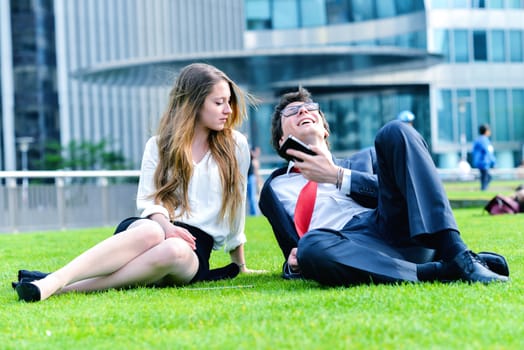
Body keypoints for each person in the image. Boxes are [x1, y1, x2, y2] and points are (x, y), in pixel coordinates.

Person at [14, 63, 262, 302]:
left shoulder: (235, 145)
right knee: (152, 231)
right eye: (219, 103)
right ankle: (55, 280)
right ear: (193, 104)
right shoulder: (158, 145)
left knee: (173, 249)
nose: (228, 110)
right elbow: (149, 200)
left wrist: (239, 264)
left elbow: (237, 204)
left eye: (228, 102)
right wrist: (166, 226)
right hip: (151, 226)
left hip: (194, 247)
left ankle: (58, 288)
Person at [259, 87, 509, 287]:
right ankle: (441, 271)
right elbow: (291, 249)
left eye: (310, 108)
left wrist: (338, 176)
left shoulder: (364, 160)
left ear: (325, 129)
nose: (304, 112)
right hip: (349, 248)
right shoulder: (274, 189)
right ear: (281, 139)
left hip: (391, 227)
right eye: (293, 112)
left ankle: (458, 254)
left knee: (395, 130)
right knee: (311, 245)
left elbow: (409, 196)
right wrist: (292, 264)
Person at [472, 124, 496, 191]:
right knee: (486, 177)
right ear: (486, 131)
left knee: (485, 176)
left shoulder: (478, 140)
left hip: (479, 162)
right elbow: (488, 152)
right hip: (484, 162)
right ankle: (484, 189)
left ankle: (483, 189)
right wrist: (493, 162)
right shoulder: (484, 140)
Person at [247, 146, 262, 216]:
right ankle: (253, 213)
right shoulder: (248, 153)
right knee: (251, 198)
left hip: (251, 178)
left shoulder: (254, 160)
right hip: (248, 178)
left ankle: (255, 214)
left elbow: (256, 172)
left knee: (253, 197)